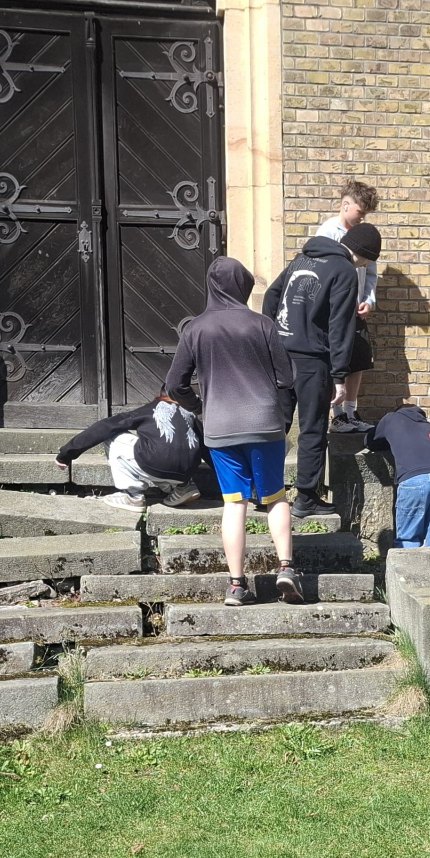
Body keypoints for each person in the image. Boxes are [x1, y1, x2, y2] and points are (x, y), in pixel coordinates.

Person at [165, 256, 303, 607]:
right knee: (275, 498)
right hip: (264, 425)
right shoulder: (262, 324)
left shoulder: (195, 329)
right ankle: (286, 568)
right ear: (243, 287)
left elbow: (175, 384)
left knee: (234, 503)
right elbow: (287, 377)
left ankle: (237, 586)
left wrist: (200, 407)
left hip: (221, 428)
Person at [262, 222, 381, 518]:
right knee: (313, 428)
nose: (365, 266)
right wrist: (339, 376)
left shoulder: (302, 259)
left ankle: (263, 490)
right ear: (364, 255)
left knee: (275, 425)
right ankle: (305, 497)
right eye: (368, 261)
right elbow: (340, 327)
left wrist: (272, 336)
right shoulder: (344, 271)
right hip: (313, 361)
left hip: (280, 353)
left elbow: (271, 296)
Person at [54, 393, 203, 512]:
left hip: (154, 463)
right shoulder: (190, 415)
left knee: (112, 434)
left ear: (161, 395)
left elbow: (105, 426)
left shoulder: (152, 407)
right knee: (179, 447)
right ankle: (183, 487)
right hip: (186, 472)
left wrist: (66, 454)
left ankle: (133, 496)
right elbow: (207, 447)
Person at [312, 180, 381, 432]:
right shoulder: (328, 232)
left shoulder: (363, 236)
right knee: (337, 360)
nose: (362, 219)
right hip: (335, 311)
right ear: (345, 205)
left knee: (358, 359)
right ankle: (337, 414)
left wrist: (368, 300)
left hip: (356, 310)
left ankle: (351, 413)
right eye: (360, 213)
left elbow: (371, 273)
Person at [369, 404, 430, 549]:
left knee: (408, 541)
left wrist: (392, 441)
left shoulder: (391, 418)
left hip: (413, 480)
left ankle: (407, 564)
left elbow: (370, 441)